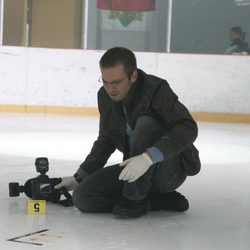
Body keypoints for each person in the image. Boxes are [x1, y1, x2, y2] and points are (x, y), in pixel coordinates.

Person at [55, 47, 201, 218]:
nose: (110, 89)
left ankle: (135, 200)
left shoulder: (155, 89)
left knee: (146, 124)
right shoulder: (105, 96)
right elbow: (106, 140)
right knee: (83, 197)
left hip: (168, 170)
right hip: (134, 170)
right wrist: (78, 178)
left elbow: (188, 127)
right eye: (105, 81)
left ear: (133, 76)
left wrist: (148, 158)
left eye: (116, 82)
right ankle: (159, 201)